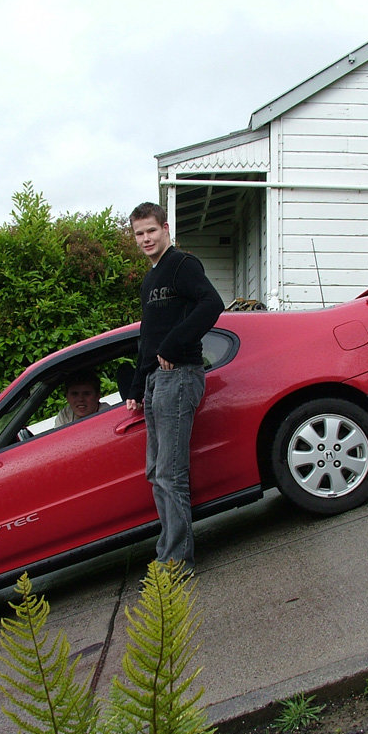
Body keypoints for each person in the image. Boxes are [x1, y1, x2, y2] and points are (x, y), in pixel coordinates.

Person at [125, 201, 224, 571]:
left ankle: (176, 562)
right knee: (156, 472)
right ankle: (167, 554)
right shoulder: (151, 279)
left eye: (151, 230)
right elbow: (148, 337)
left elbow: (212, 303)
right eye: (139, 233)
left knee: (170, 472)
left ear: (165, 228)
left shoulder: (183, 264)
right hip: (155, 381)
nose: (146, 238)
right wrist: (136, 388)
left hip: (180, 375)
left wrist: (175, 344)